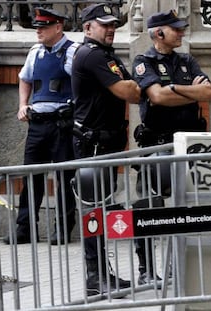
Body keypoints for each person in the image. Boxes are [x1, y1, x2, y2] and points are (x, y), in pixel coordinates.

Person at [132, 10, 211, 285]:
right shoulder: (144, 61)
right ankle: (146, 270)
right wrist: (186, 91)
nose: (180, 33)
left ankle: (180, 264)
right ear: (158, 33)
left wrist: (172, 91)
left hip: (189, 146)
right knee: (149, 207)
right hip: (156, 145)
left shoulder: (186, 59)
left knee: (188, 207)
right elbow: (156, 96)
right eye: (175, 29)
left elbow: (208, 93)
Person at [71, 3, 141, 295]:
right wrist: (134, 86)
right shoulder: (92, 55)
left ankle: (101, 273)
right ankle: (94, 276)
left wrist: (133, 86)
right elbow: (128, 91)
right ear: (88, 28)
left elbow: (130, 88)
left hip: (105, 143)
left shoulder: (106, 56)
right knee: (92, 211)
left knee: (100, 209)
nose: (111, 29)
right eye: (104, 25)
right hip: (93, 145)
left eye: (113, 24)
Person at [3, 7, 80, 245]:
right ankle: (25, 228)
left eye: (44, 27)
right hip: (37, 125)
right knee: (31, 177)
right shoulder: (35, 52)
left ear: (58, 28)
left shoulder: (72, 52)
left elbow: (83, 84)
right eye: (37, 27)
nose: (39, 31)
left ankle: (63, 229)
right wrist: (22, 105)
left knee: (63, 178)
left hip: (61, 125)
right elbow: (25, 79)